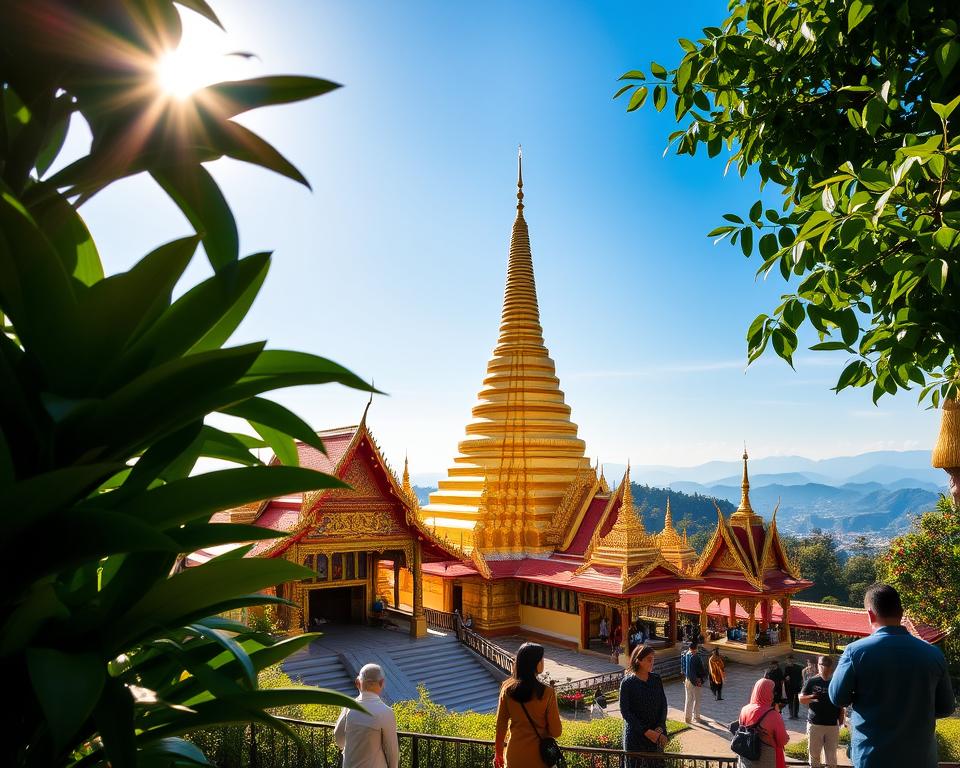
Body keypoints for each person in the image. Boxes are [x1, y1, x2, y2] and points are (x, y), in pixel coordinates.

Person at [828, 583, 955, 768]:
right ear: (901, 612)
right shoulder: (933, 654)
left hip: (872, 757)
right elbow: (946, 707)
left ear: (870, 614)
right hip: (920, 758)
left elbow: (837, 697)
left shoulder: (856, 652)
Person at [494, 642, 562, 768]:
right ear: (535, 664)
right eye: (541, 659)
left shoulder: (507, 689)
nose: (543, 662)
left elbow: (501, 725)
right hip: (539, 758)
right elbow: (556, 731)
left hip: (514, 755)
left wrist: (498, 753)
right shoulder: (547, 692)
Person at [334, 663, 399, 768]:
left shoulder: (348, 707)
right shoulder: (385, 712)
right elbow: (392, 751)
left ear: (358, 683)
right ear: (382, 683)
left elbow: (339, 738)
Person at [620, 644, 668, 768]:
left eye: (653, 659)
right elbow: (626, 712)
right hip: (635, 738)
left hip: (655, 737)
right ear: (639, 660)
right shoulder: (627, 683)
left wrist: (660, 727)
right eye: (649, 659)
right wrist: (646, 732)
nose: (652, 663)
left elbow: (663, 705)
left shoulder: (656, 679)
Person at [734, 678, 790, 768]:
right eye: (772, 691)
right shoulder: (773, 715)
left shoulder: (744, 709)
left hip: (746, 758)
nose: (774, 694)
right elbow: (782, 741)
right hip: (765, 759)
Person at [799, 656, 843, 768]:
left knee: (831, 757)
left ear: (830, 668)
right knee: (814, 756)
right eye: (821, 665)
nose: (823, 668)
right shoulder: (812, 681)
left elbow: (841, 704)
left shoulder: (835, 682)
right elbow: (801, 699)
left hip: (832, 725)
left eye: (826, 666)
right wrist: (813, 697)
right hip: (815, 723)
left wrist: (841, 721)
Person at [682, 639, 706, 724]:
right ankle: (696, 716)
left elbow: (683, 668)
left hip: (687, 679)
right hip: (696, 680)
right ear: (696, 648)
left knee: (689, 699)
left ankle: (687, 718)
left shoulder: (685, 654)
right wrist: (701, 678)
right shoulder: (696, 657)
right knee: (697, 699)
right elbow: (701, 670)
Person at [783, 654, 803, 719]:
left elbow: (801, 677)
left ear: (793, 660)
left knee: (796, 700)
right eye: (788, 660)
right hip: (789, 687)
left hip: (797, 686)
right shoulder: (785, 668)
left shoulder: (798, 668)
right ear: (787, 661)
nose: (790, 661)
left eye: (791, 660)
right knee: (790, 701)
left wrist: (801, 684)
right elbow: (782, 677)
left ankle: (796, 714)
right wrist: (785, 678)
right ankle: (791, 714)